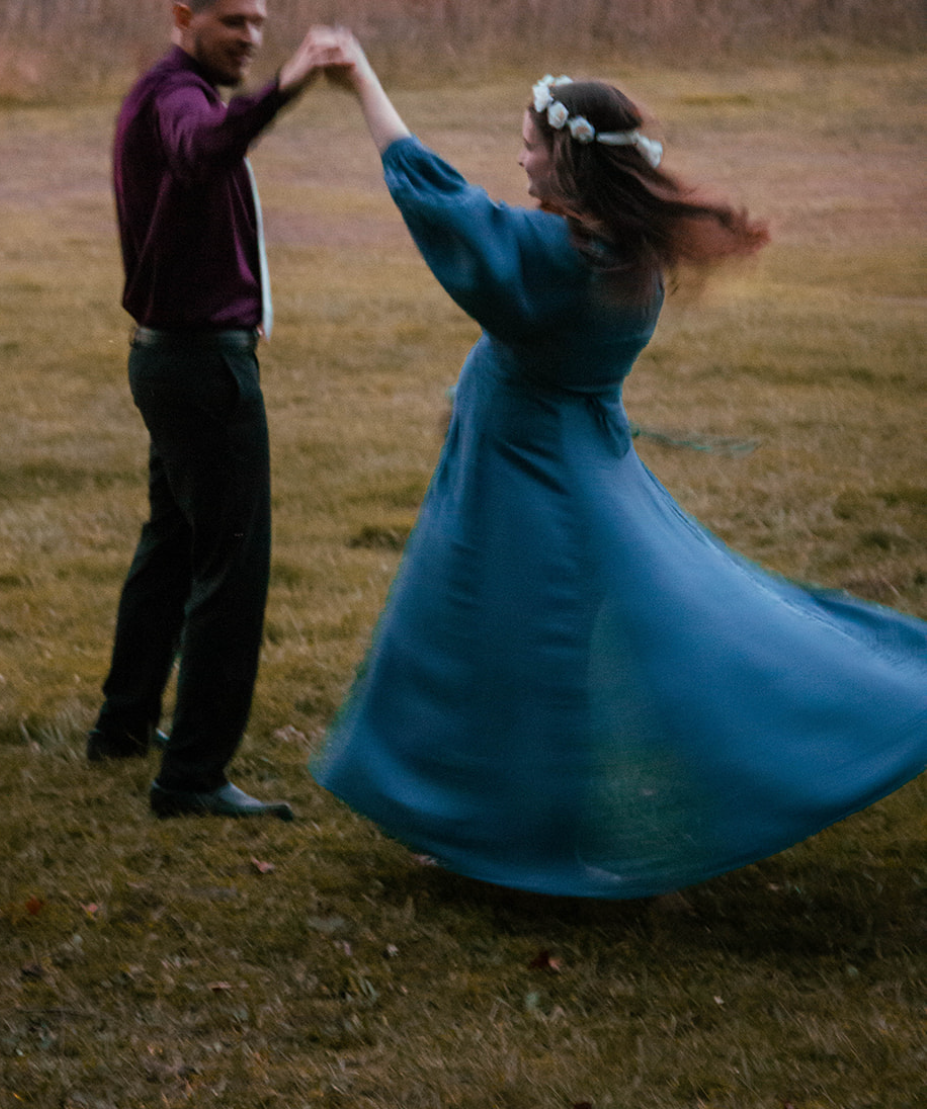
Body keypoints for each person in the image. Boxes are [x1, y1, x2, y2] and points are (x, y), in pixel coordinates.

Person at [313, 47, 927, 896]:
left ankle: (517, 837)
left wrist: (362, 83)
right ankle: (472, 822)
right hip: (557, 463)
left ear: (564, 156)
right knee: (484, 640)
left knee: (513, 650)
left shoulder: (563, 256)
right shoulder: (627, 256)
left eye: (529, 142)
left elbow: (440, 200)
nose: (519, 158)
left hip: (530, 480)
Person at [88, 0, 347, 820]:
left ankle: (124, 726)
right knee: (231, 568)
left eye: (261, 25)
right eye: (234, 22)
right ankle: (193, 776)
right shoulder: (178, 100)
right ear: (182, 17)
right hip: (201, 367)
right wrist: (290, 81)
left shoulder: (173, 92)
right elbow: (202, 152)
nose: (250, 37)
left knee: (170, 545)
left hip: (174, 358)